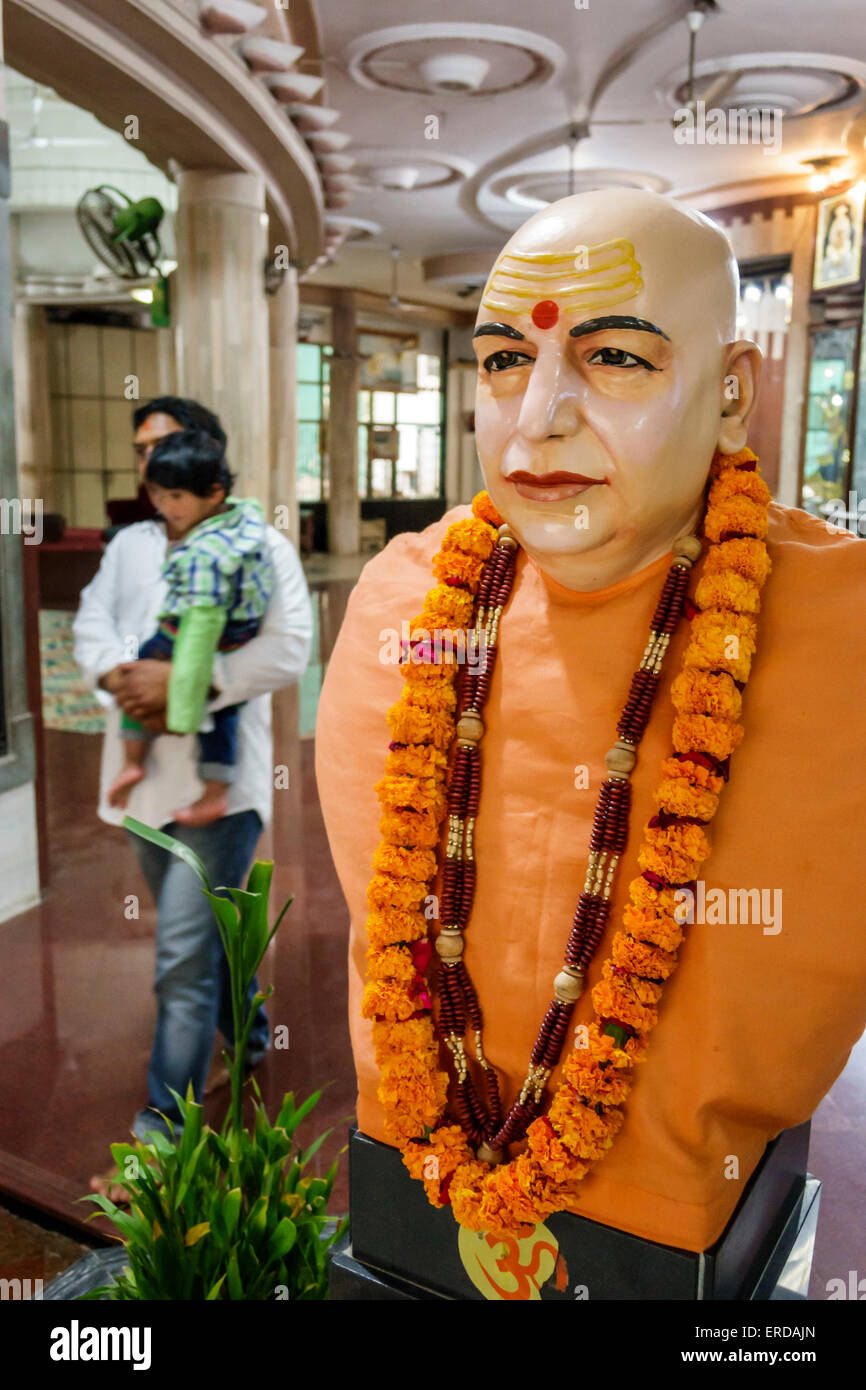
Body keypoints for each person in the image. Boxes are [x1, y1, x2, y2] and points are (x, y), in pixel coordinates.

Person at [315, 189, 866, 1259]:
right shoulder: (402, 602)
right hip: (412, 1175)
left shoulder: (842, 633)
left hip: (688, 1215)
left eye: (613, 359)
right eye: (502, 362)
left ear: (728, 393)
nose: (536, 419)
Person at [74, 396, 312, 1197]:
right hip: (144, 790)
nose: (151, 464)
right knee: (203, 941)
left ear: (206, 457)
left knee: (178, 957)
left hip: (220, 792)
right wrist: (115, 674)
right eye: (142, 451)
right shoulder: (132, 544)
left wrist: (188, 678)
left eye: (167, 448)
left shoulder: (257, 541)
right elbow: (91, 623)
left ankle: (159, 1132)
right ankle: (246, 1040)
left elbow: (289, 648)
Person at [109, 429, 274, 827]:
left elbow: (200, 628)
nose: (165, 507)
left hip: (204, 630)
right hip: (238, 628)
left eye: (177, 497)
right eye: (158, 495)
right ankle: (212, 788)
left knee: (144, 668)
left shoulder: (205, 552)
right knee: (225, 711)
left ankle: (136, 761)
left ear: (213, 493)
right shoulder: (243, 518)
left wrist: (184, 704)